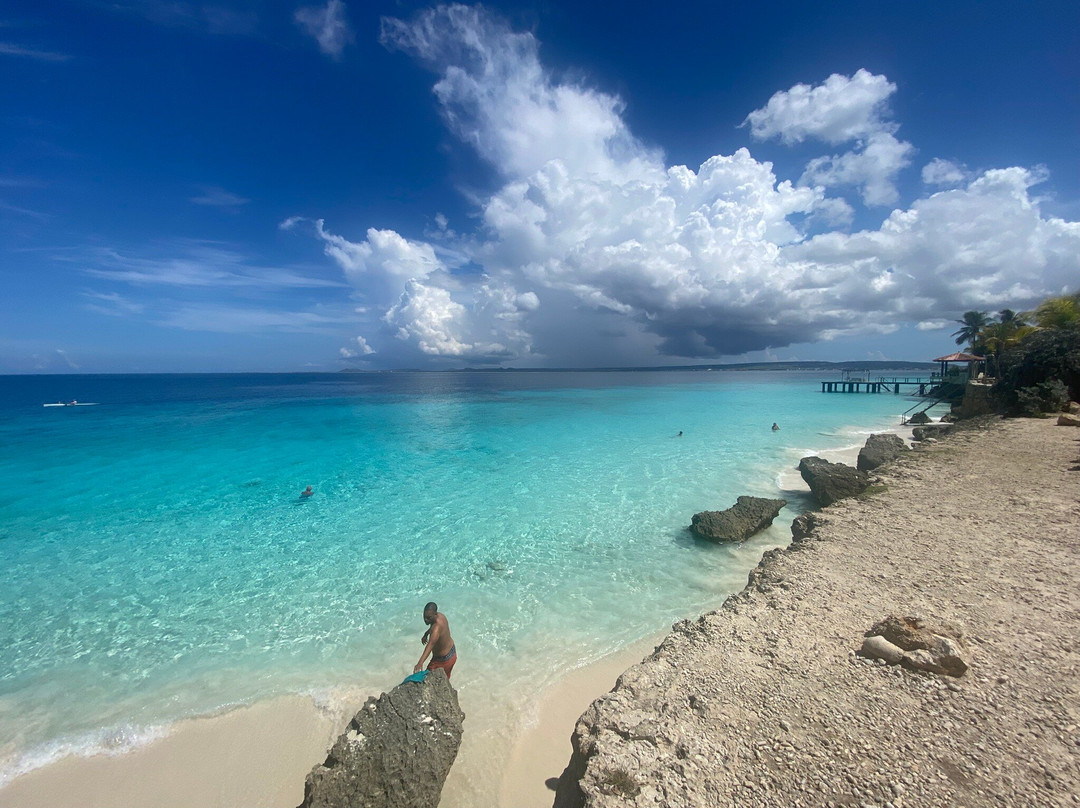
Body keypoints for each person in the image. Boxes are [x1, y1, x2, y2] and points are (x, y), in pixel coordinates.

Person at [415, 602, 456, 679]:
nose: (426, 620)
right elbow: (433, 626)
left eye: (428, 618)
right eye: (424, 617)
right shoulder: (440, 616)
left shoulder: (436, 629)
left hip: (443, 661)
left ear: (435, 614)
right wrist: (426, 633)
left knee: (427, 680)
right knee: (444, 680)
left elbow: (430, 645)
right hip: (452, 653)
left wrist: (420, 663)